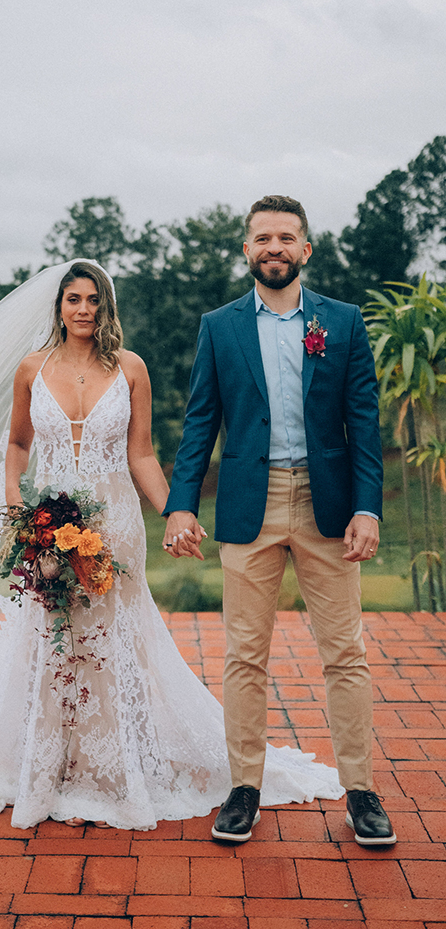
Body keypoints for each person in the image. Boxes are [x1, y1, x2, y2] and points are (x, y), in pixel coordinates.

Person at [0, 260, 343, 828]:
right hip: (46, 526)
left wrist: (174, 512)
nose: (83, 309)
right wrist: (17, 511)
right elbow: (16, 444)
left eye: (93, 299)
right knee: (49, 638)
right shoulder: (30, 368)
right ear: (58, 306)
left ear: (106, 307)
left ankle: (118, 764)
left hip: (115, 526)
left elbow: (142, 454)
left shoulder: (131, 368)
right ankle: (49, 761)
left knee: (114, 641)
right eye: (73, 299)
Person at [162, 195, 395, 846]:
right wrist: (182, 500)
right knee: (243, 654)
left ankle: (361, 790)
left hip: (327, 508)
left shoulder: (342, 323)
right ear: (246, 249)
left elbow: (364, 423)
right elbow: (200, 421)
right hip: (248, 505)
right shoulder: (220, 326)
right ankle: (243, 788)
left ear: (304, 249)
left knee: (344, 653)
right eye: (262, 237)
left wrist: (366, 506)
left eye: (285, 237)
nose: (273, 247)